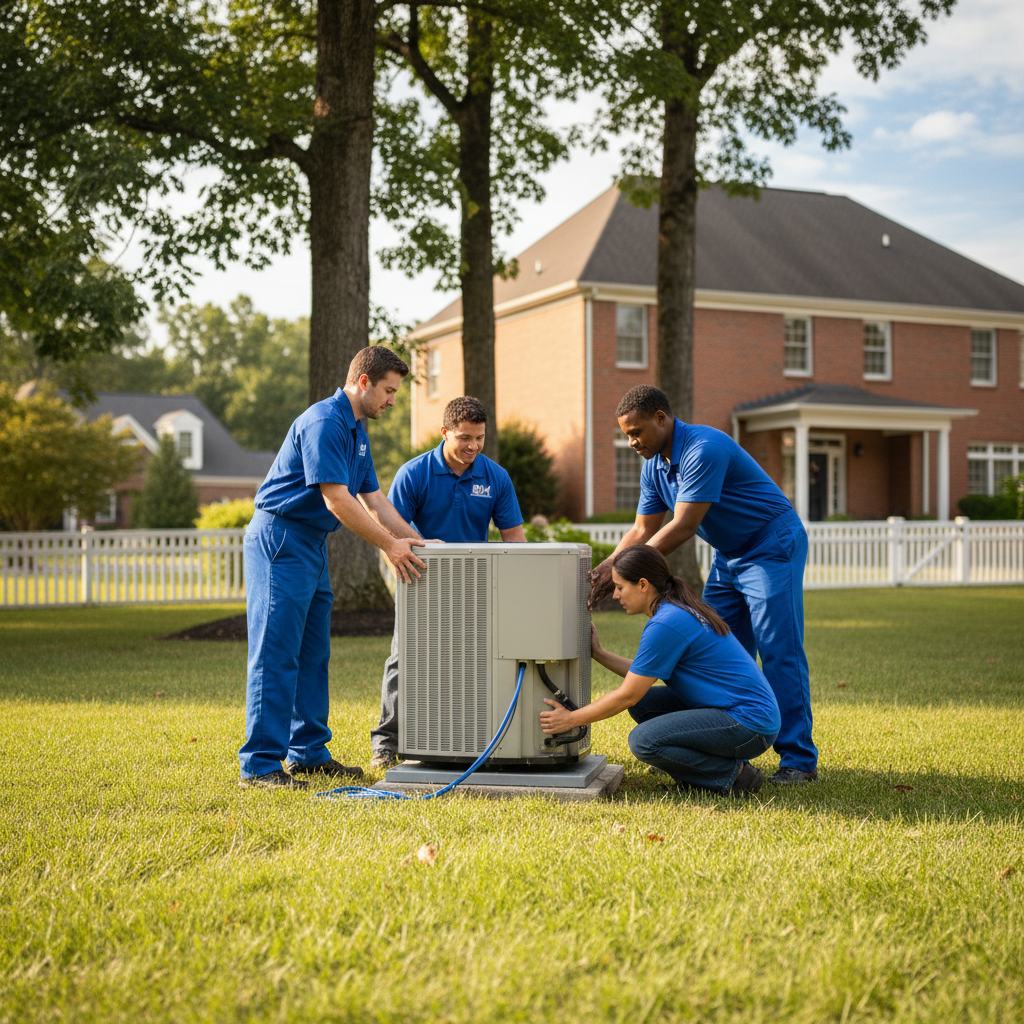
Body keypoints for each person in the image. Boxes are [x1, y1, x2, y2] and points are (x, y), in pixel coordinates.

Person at [589, 384, 817, 785]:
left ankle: (798, 761)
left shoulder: (703, 448)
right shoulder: (654, 467)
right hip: (729, 556)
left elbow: (683, 526)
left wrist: (623, 570)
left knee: (778, 648)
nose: (631, 442)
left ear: (662, 418)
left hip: (770, 544)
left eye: (636, 431)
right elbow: (643, 528)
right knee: (714, 643)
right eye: (626, 434)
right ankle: (724, 746)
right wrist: (607, 566)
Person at [239, 346, 430, 789]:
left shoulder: (357, 430)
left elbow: (375, 500)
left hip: (311, 543)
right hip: (281, 537)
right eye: (388, 390)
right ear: (363, 382)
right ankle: (260, 765)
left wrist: (418, 541)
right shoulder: (325, 421)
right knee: (275, 651)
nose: (392, 401)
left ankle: (307, 752)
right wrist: (389, 546)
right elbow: (336, 498)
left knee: (312, 652)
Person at [541, 546, 779, 794]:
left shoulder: (667, 623)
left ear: (643, 585)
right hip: (740, 713)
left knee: (643, 741)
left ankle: (736, 776)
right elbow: (640, 678)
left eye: (620, 587)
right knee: (645, 702)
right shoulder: (673, 611)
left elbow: (627, 694)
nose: (615, 595)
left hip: (750, 724)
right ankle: (694, 770)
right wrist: (599, 653)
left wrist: (571, 719)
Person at [369, 396, 526, 768]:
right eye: (464, 438)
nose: (472, 446)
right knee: (404, 659)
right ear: (444, 433)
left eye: (479, 438)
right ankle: (387, 743)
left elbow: (514, 541)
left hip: (476, 586)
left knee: (476, 660)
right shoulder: (414, 474)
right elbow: (389, 532)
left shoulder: (495, 477)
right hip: (420, 580)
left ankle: (470, 735)